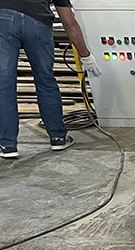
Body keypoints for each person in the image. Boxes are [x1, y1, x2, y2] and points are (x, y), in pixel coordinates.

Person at [0, 0, 100, 159]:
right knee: (45, 80)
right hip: (38, 23)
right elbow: (69, 22)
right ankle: (58, 138)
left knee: (3, 84)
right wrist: (85, 56)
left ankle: (8, 144)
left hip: (3, 20)